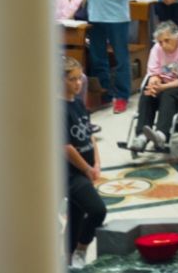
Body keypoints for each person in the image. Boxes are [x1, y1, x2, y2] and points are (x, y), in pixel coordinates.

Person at [63, 58, 107, 269]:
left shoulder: (79, 103)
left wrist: (97, 161)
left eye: (79, 78)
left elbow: (89, 135)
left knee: (76, 216)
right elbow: (66, 148)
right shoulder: (58, 108)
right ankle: (81, 250)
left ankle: (69, 256)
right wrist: (87, 168)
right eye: (72, 79)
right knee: (97, 210)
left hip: (87, 168)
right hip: (72, 174)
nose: (78, 83)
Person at [129, 21, 178, 151]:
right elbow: (153, 72)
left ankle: (161, 135)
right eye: (160, 42)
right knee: (147, 92)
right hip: (163, 84)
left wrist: (163, 87)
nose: (163, 45)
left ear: (177, 36)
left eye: (167, 40)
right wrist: (154, 81)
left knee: (168, 93)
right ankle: (142, 136)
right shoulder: (156, 48)